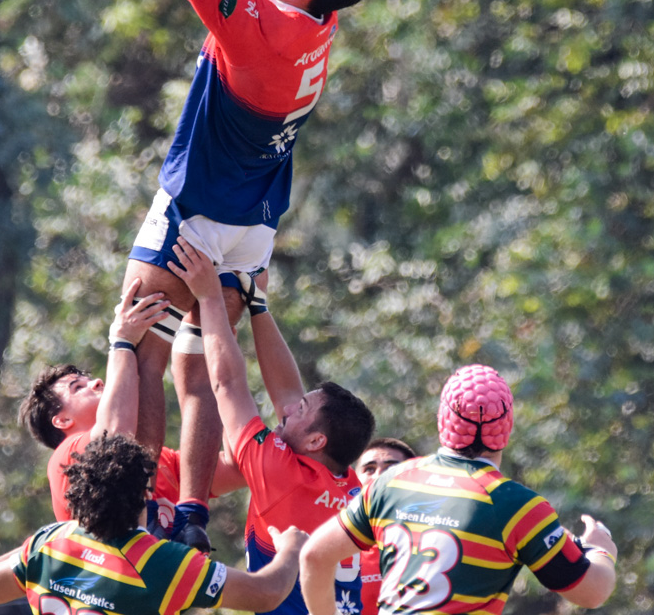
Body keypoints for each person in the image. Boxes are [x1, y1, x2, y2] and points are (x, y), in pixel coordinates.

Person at [83, 0, 372, 549]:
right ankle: (191, 517)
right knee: (195, 365)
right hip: (255, 223)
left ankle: (135, 516)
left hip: (202, 202)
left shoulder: (264, 26)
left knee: (136, 338)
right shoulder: (312, 16)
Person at [300, 364, 617, 614]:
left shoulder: (390, 483)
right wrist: (601, 549)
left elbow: (314, 556)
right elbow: (593, 593)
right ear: (507, 429)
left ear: (442, 420)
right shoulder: (518, 506)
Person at [167, 237, 375, 615]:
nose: (290, 409)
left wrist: (211, 297)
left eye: (303, 409)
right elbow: (289, 396)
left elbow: (226, 385)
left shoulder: (282, 474)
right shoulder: (349, 485)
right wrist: (259, 307)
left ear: (316, 440)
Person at [0, 433, 306, 615]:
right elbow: (266, 594)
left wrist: (41, 542)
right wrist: (292, 548)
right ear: (146, 491)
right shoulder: (159, 563)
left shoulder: (50, 543)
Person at [19, 278, 172, 524]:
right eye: (78, 387)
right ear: (62, 420)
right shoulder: (66, 457)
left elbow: (235, 466)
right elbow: (114, 436)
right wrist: (121, 340)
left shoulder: (159, 459)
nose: (97, 382)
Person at [351, 438, 417, 615]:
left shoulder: (433, 542)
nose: (379, 476)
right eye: (369, 469)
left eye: (391, 469)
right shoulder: (331, 547)